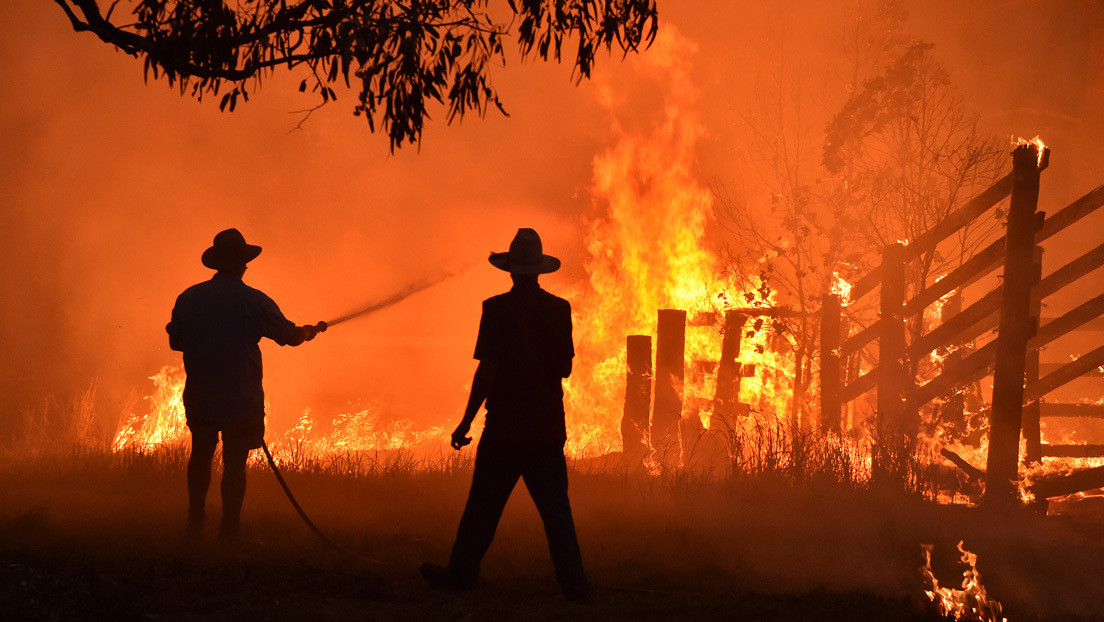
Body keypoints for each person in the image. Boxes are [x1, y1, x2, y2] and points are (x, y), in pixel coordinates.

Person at [421, 228, 590, 602]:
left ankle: (460, 575)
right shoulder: (559, 309)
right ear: (539, 271)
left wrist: (466, 421)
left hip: (504, 429)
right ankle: (575, 586)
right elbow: (565, 368)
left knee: (482, 506)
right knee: (556, 512)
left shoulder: (496, 309)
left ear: (511, 271)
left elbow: (488, 369)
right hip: (546, 428)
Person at [166, 228, 326, 542]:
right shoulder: (253, 301)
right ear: (241, 265)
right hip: (240, 396)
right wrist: (308, 331)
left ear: (216, 264)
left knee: (200, 454)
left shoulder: (189, 298)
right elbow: (288, 337)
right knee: (235, 463)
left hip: (201, 393)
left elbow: (176, 341)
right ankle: (229, 529)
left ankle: (195, 521)